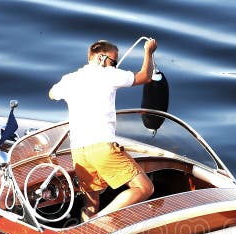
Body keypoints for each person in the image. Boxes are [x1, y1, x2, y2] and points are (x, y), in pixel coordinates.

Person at [49, 38, 157, 219]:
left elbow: (52, 94)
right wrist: (149, 52)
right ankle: (100, 221)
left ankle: (87, 230)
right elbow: (145, 76)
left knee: (91, 205)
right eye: (113, 62)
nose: (114, 67)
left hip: (79, 151)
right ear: (100, 58)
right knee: (145, 188)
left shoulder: (70, 79)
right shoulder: (108, 74)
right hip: (102, 147)